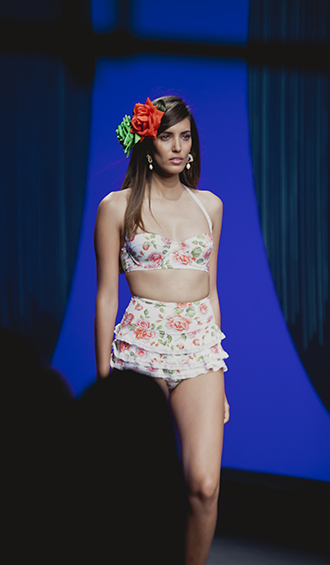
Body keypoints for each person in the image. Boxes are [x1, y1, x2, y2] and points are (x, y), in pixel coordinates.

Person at [94, 95, 229, 564]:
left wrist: (221, 381)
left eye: (185, 136)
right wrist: (105, 384)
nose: (177, 146)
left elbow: (211, 290)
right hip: (140, 345)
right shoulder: (116, 207)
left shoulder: (210, 206)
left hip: (199, 348)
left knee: (204, 485)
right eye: (166, 136)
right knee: (138, 486)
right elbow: (106, 297)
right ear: (147, 142)